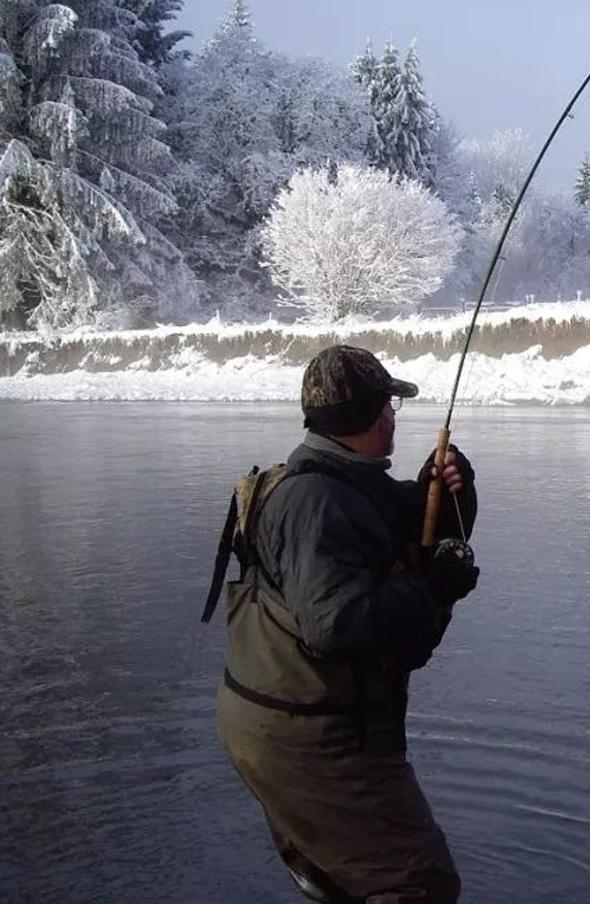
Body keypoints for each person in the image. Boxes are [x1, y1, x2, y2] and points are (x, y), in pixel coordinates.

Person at [215, 344, 480, 902]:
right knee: (419, 882)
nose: (392, 416)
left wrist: (450, 491)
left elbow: (402, 522)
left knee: (342, 882)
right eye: (388, 404)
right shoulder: (317, 502)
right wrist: (433, 584)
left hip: (283, 720)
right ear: (374, 416)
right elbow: (336, 624)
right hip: (309, 737)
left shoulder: (342, 479)